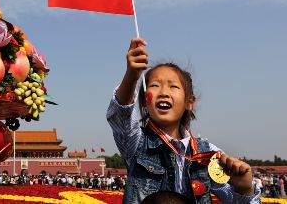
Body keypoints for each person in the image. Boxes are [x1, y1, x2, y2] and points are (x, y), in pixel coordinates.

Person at [107, 38, 261, 204]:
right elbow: (120, 115)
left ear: (190, 102)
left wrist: (244, 189)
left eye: (173, 86)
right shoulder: (136, 142)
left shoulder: (208, 154)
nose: (163, 92)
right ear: (145, 100)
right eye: (155, 85)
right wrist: (131, 76)